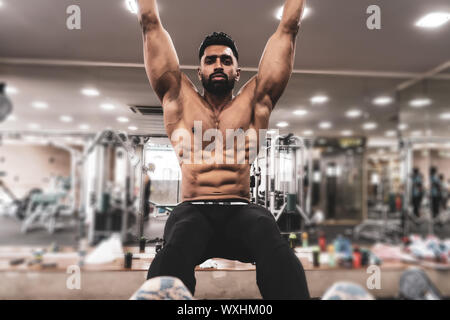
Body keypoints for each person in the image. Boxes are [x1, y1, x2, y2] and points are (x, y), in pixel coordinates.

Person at [136, 0, 310, 299]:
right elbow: (150, 21)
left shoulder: (256, 100)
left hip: (242, 212)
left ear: (237, 71)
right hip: (193, 210)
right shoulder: (177, 96)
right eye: (211, 60)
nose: (218, 65)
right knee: (173, 253)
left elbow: (289, 27)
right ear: (200, 71)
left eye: (226, 61)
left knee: (275, 245)